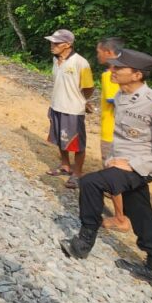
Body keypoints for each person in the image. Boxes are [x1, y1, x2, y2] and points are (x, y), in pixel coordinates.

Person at [60, 49, 152, 289]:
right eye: (113, 66)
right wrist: (114, 158)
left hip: (140, 167)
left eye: (119, 68)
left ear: (137, 75)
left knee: (90, 182)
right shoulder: (121, 95)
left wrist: (134, 165)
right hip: (122, 163)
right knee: (139, 209)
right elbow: (124, 136)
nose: (112, 71)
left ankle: (83, 242)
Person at [44, 29, 95, 190]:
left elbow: (88, 87)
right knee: (60, 139)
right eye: (52, 42)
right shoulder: (56, 60)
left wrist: (82, 100)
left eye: (56, 43)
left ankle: (77, 173)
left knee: (77, 143)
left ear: (68, 44)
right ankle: (65, 165)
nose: (52, 45)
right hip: (56, 105)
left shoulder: (80, 63)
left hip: (73, 110)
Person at [96, 37, 130, 231]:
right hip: (124, 133)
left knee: (112, 173)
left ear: (108, 52)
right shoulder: (130, 72)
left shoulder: (111, 75)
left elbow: (114, 101)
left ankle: (119, 218)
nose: (97, 55)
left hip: (111, 132)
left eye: (99, 52)